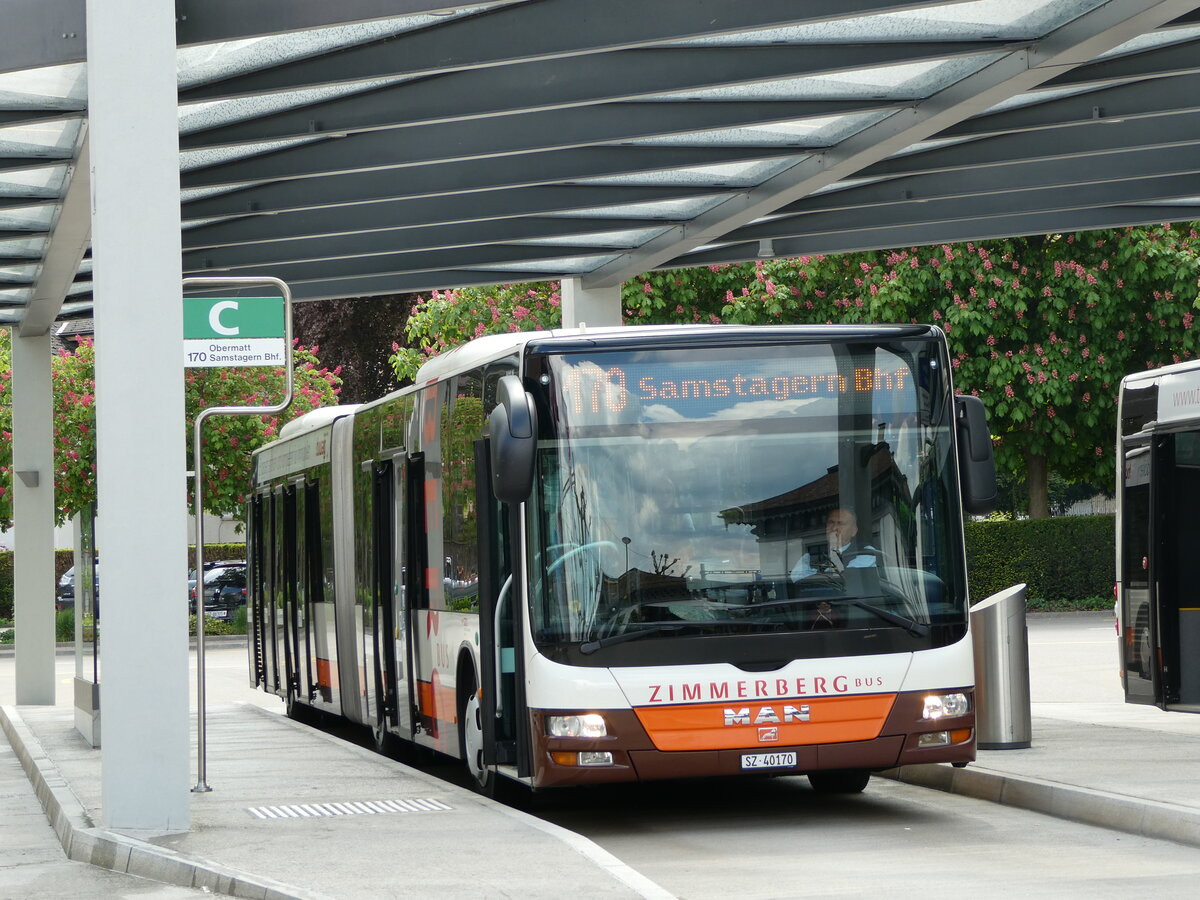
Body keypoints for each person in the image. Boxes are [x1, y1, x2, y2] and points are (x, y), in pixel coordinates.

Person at [790, 507, 877, 583]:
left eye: (840, 523)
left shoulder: (865, 552)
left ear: (853, 530)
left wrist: (835, 548)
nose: (834, 528)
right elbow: (796, 580)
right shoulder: (809, 556)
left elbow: (845, 579)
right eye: (831, 522)